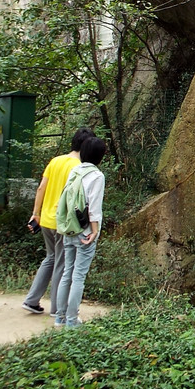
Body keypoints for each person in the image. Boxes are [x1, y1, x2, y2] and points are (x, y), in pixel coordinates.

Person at [22, 127, 94, 316]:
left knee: (51, 258)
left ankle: (31, 300)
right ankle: (57, 308)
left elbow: (41, 188)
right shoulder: (79, 167)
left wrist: (35, 214)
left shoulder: (55, 161)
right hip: (64, 223)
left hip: (46, 219)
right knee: (62, 264)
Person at [55, 134, 107, 328]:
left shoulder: (75, 171)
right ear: (100, 156)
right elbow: (93, 208)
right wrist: (94, 232)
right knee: (78, 276)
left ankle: (60, 317)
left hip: (69, 229)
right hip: (85, 231)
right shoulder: (97, 176)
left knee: (67, 272)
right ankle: (71, 321)